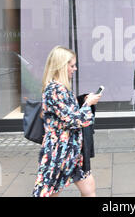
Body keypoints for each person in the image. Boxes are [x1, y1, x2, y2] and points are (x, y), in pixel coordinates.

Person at [32, 45, 101, 197]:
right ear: (61, 66)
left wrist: (83, 100)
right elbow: (74, 120)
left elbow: (68, 112)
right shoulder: (54, 90)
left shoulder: (62, 88)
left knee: (89, 189)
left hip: (73, 151)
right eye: (72, 65)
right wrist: (88, 104)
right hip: (58, 153)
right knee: (48, 193)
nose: (75, 69)